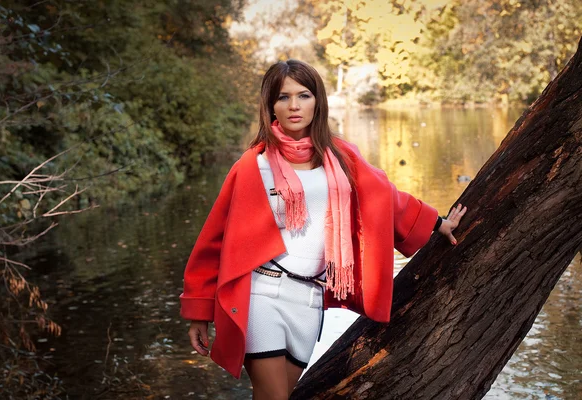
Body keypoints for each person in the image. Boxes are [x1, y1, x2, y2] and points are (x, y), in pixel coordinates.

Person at [179, 59, 467, 400]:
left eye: (303, 95)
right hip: (261, 294)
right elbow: (214, 239)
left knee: (282, 394)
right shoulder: (253, 165)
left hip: (309, 299)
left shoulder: (341, 156)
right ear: (270, 105)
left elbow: (385, 197)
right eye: (283, 97)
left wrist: (437, 223)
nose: (294, 105)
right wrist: (198, 312)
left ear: (318, 101)